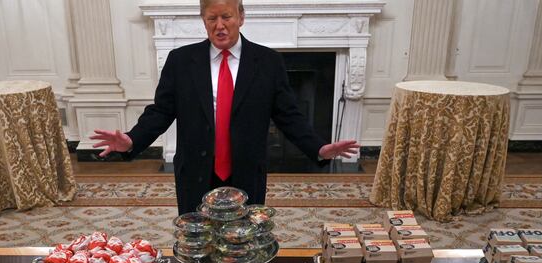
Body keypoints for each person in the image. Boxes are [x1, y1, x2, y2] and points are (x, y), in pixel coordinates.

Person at [91, 0, 359, 214]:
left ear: (241, 17)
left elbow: (289, 116)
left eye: (226, 17)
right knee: (198, 244)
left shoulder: (268, 62)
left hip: (246, 172)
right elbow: (161, 111)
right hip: (195, 171)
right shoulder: (180, 61)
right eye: (212, 18)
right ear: (203, 20)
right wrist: (132, 140)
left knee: (243, 245)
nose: (219, 25)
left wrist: (318, 148)